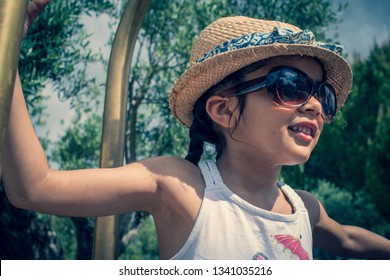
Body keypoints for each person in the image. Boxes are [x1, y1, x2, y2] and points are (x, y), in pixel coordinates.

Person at [3, 0, 390, 260]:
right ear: (223, 109)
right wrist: (6, 45)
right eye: (290, 86)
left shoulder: (303, 207)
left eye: (322, 93)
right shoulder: (181, 187)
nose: (315, 104)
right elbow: (34, 186)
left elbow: (350, 240)